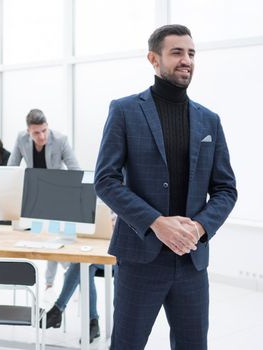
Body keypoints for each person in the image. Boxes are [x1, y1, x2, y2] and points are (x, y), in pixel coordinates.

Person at [94, 24, 237, 350]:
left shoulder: (209, 120)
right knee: (127, 344)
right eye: (177, 52)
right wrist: (157, 223)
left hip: (191, 260)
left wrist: (198, 228)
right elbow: (105, 180)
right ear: (154, 59)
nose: (186, 60)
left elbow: (226, 188)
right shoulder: (125, 110)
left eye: (191, 53)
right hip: (140, 259)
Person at [8, 108, 80, 288]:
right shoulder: (21, 139)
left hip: (58, 193)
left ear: (47, 126)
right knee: (48, 238)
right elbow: (11, 169)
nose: (41, 136)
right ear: (28, 131)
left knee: (55, 237)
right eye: (36, 133)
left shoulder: (60, 140)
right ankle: (67, 272)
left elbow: (75, 170)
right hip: (37, 194)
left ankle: (54, 280)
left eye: (44, 131)